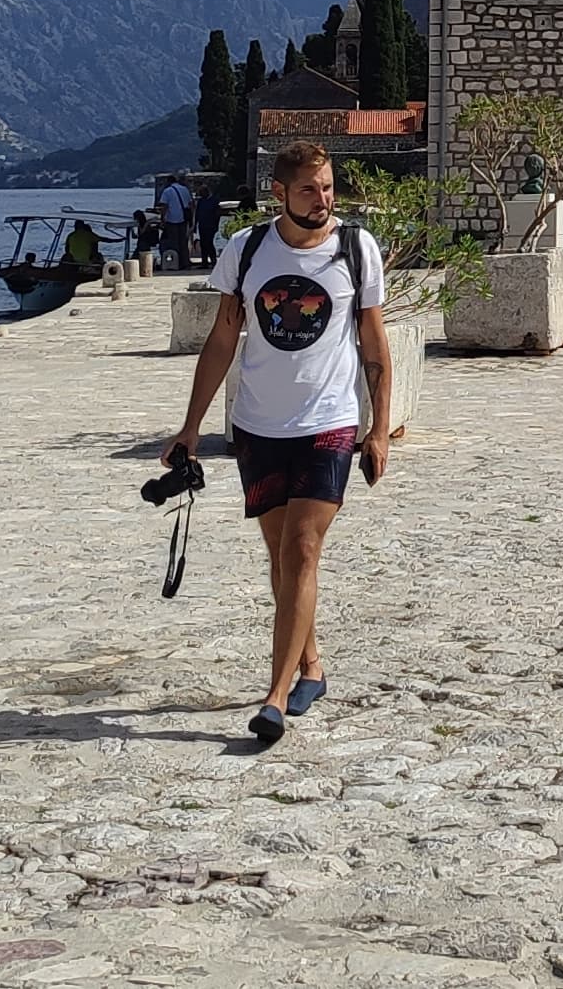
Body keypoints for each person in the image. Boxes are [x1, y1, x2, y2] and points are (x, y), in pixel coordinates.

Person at [167, 141, 396, 744]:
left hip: (331, 421)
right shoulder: (245, 251)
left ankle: (274, 697)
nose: (322, 201)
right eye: (308, 191)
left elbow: (374, 346)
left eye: (327, 188)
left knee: (302, 550)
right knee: (282, 560)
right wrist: (190, 427)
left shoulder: (356, 248)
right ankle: (312, 667)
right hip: (259, 425)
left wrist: (379, 428)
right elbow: (221, 340)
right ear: (280, 194)